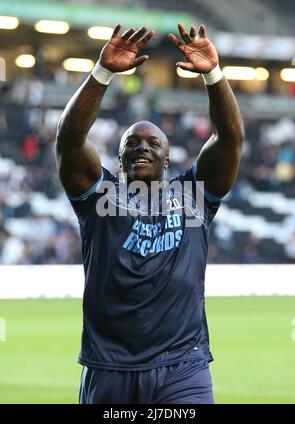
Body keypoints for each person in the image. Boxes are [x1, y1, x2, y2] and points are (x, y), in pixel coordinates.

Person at [56, 22, 244, 404]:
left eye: (153, 142)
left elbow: (229, 139)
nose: (142, 147)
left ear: (167, 157)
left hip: (183, 367)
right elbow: (69, 141)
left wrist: (213, 75)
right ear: (119, 154)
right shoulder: (97, 197)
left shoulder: (195, 195)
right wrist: (102, 72)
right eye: (132, 142)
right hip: (109, 368)